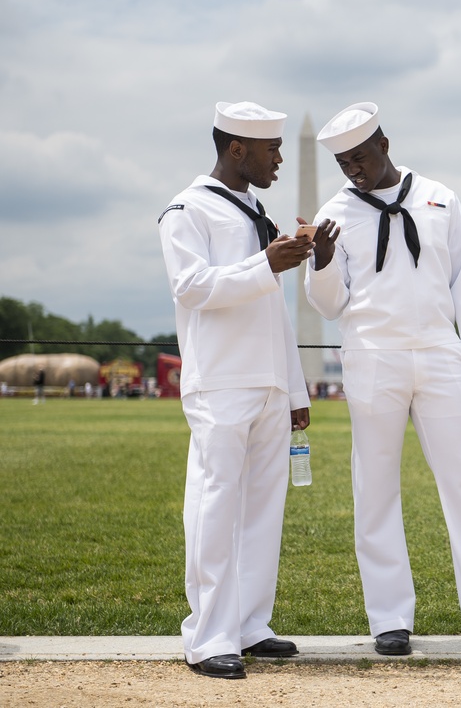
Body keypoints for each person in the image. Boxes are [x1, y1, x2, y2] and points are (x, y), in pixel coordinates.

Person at [305, 102, 461, 657]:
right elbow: (329, 305)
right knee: (376, 486)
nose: (353, 170)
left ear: (383, 144)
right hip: (372, 357)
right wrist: (320, 258)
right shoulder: (333, 213)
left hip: (440, 354)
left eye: (359, 157)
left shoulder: (440, 198)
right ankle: (389, 619)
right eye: (343, 162)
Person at [158, 101, 317, 679]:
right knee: (215, 505)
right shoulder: (188, 209)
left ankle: (250, 624)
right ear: (236, 149)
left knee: (262, 513)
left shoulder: (256, 210)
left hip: (270, 381)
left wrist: (295, 388)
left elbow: (273, 310)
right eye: (272, 149)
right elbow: (192, 287)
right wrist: (266, 262)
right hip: (221, 379)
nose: (279, 159)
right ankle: (207, 636)